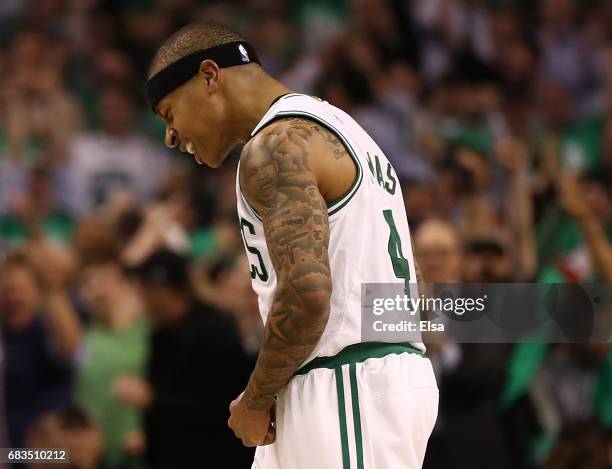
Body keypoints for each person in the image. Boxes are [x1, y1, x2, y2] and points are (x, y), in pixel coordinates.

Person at [145, 22, 438, 469]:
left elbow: (307, 295)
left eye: (169, 113)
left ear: (209, 76)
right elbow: (411, 286)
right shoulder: (343, 129)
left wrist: (253, 400)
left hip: (345, 383)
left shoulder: (275, 146)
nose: (170, 136)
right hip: (353, 377)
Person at [120, 249, 253, 469]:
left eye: (145, 288)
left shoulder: (216, 331)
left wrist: (153, 400)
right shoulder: (160, 334)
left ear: (166, 291)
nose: (140, 297)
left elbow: (218, 407)